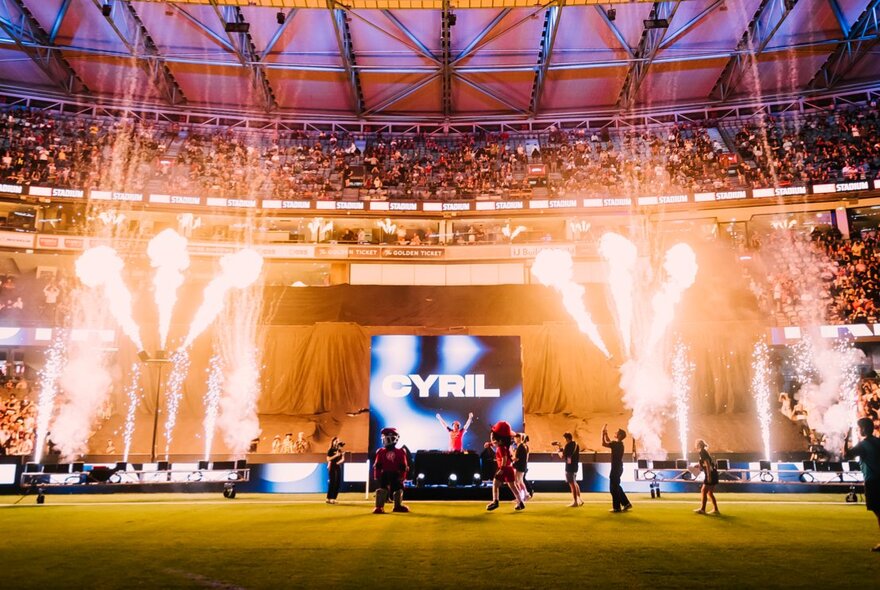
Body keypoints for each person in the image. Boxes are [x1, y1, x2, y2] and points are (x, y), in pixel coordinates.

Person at [844, 417, 880, 552]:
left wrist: (845, 440)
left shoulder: (863, 444)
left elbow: (846, 455)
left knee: (878, 512)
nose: (859, 431)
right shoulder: (878, 441)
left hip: (873, 480)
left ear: (864, 429)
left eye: (859, 429)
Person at [485, 421, 524, 511]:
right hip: (509, 468)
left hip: (504, 468)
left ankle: (495, 501)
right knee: (512, 486)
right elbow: (495, 444)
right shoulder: (505, 446)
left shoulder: (501, 448)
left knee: (495, 483)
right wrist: (490, 444)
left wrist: (501, 469)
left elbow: (504, 458)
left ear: (499, 438)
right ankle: (520, 502)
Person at [373, 427, 409, 514]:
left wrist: (402, 476)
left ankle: (394, 506)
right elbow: (377, 465)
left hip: (391, 473)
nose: (384, 440)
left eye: (385, 438)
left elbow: (403, 466)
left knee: (397, 489)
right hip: (388, 473)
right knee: (385, 488)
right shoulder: (382, 451)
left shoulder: (399, 452)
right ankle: (381, 506)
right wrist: (377, 475)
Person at [602, 424, 632, 513]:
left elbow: (604, 443)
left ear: (619, 436)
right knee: (616, 487)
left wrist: (602, 433)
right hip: (618, 467)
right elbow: (608, 441)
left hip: (616, 468)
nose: (615, 433)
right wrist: (605, 434)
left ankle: (617, 508)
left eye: (617, 433)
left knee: (613, 488)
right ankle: (626, 503)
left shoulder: (616, 444)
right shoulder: (619, 444)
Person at [553, 432, 582, 507]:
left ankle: (575, 501)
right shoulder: (576, 444)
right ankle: (579, 500)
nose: (564, 440)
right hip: (575, 465)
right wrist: (561, 447)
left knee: (572, 484)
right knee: (574, 482)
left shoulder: (568, 445)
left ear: (567, 438)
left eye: (565, 438)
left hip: (569, 466)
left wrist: (558, 451)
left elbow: (562, 456)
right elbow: (568, 453)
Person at [694, 439, 720, 515]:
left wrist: (708, 476)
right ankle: (716, 509)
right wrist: (698, 465)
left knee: (703, 491)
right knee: (710, 493)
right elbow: (706, 463)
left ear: (698, 445)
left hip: (711, 473)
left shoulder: (702, 452)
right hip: (713, 473)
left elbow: (708, 464)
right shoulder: (704, 452)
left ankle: (703, 509)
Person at [513, 432, 532, 502]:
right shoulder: (521, 446)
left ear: (518, 438)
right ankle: (523, 496)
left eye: (515, 438)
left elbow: (517, 458)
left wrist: (511, 459)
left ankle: (525, 495)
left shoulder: (520, 447)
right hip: (521, 466)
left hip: (520, 466)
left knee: (519, 482)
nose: (514, 440)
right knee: (519, 481)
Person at [326, 437, 345, 504]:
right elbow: (328, 459)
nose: (337, 442)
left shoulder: (339, 450)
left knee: (338, 482)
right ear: (333, 442)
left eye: (338, 441)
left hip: (338, 466)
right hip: (332, 466)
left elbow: (342, 459)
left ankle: (334, 498)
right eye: (336, 441)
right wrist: (336, 455)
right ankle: (329, 498)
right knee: (332, 482)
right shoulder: (330, 450)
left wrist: (340, 460)